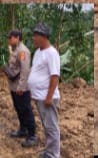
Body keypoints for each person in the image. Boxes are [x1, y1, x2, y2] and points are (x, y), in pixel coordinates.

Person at [28, 24, 61, 158]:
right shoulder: (38, 52)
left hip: (47, 97)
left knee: (51, 127)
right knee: (46, 126)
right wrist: (32, 91)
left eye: (36, 36)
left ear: (44, 37)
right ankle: (49, 151)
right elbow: (36, 71)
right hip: (39, 96)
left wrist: (49, 96)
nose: (33, 38)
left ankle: (54, 154)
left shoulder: (52, 53)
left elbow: (55, 76)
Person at [3, 29, 37, 148]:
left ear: (17, 38)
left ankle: (32, 135)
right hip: (14, 86)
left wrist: (21, 87)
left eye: (10, 37)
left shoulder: (23, 51)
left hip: (21, 88)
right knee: (19, 109)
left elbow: (25, 71)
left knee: (26, 110)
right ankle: (23, 130)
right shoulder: (15, 50)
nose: (9, 39)